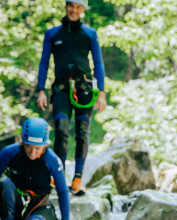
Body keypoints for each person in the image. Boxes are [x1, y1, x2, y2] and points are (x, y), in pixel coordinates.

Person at [36, 0, 107, 196]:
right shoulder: (52, 34)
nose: (73, 10)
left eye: (77, 7)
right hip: (61, 89)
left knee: (82, 131)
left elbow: (98, 63)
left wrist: (102, 92)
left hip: (84, 89)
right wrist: (40, 90)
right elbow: (44, 62)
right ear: (66, 7)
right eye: (70, 6)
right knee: (61, 129)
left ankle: (77, 179)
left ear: (82, 10)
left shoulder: (90, 34)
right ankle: (57, 177)